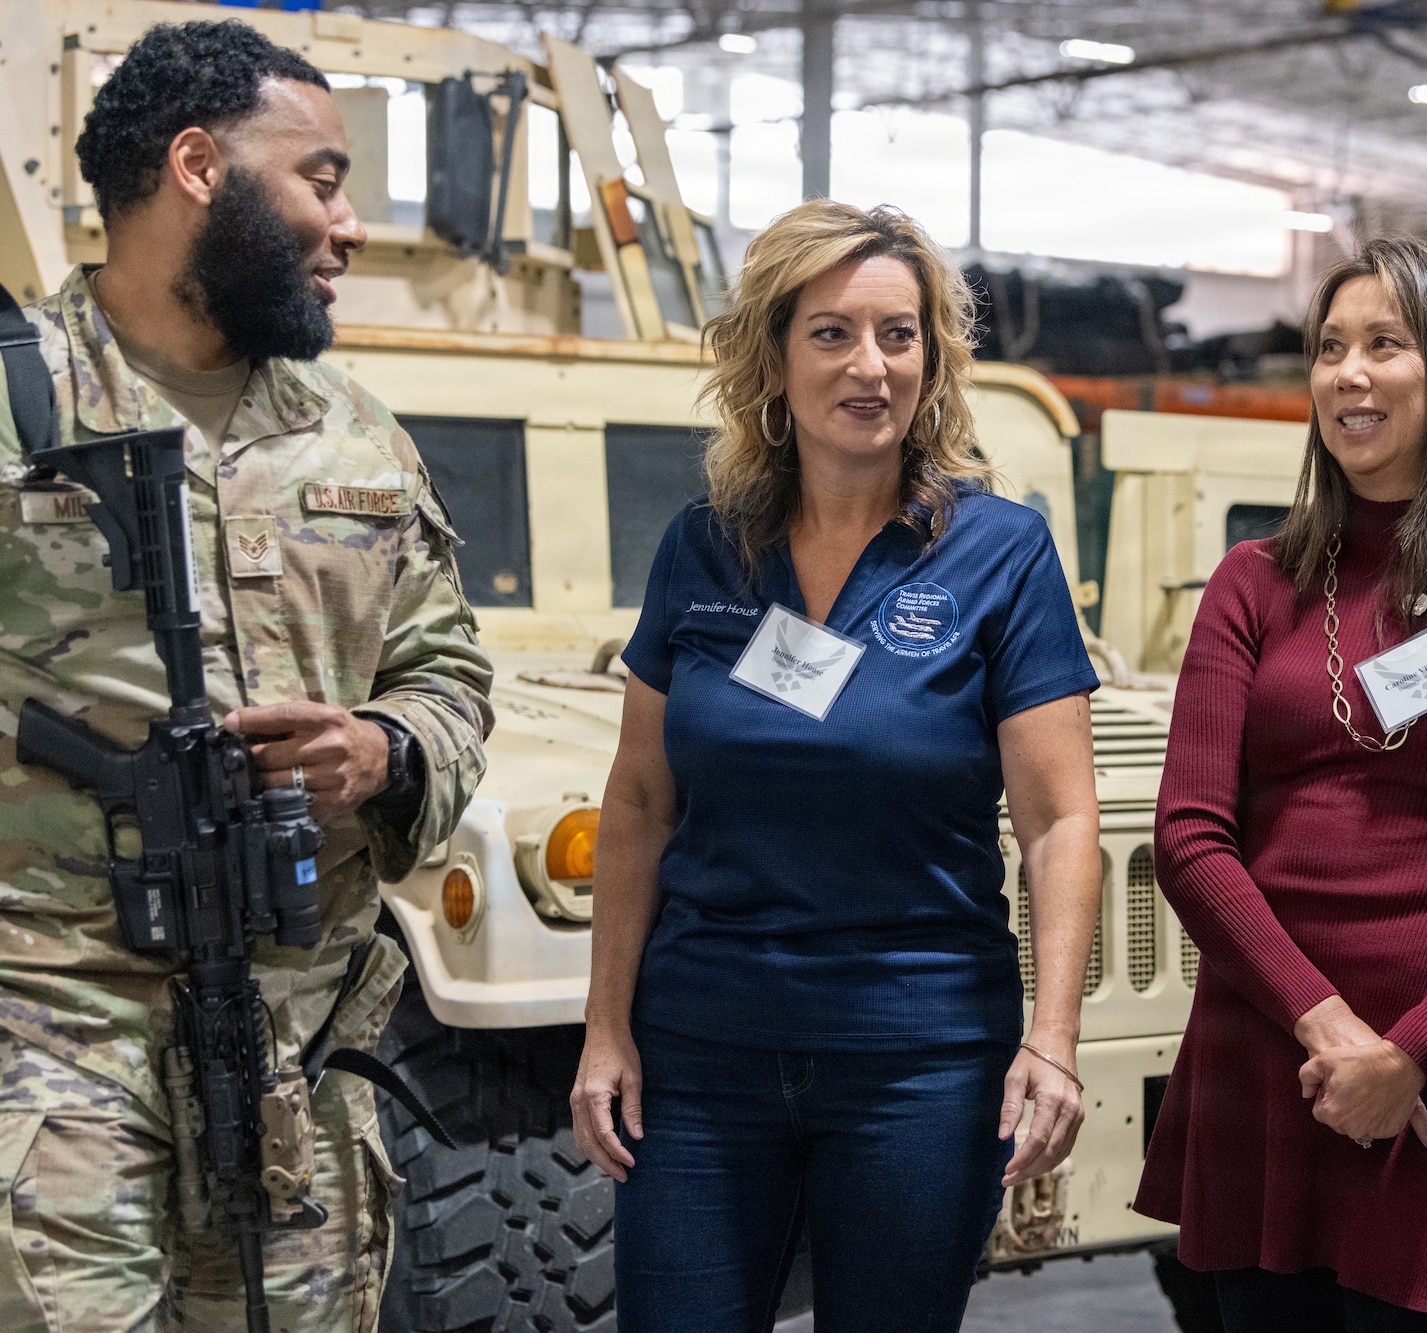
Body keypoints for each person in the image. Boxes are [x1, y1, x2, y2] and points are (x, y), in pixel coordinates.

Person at [0, 20, 493, 1333]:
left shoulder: (358, 438)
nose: (351, 225)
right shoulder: (17, 408)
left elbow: (447, 672)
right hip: (53, 1061)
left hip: (292, 1078)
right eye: (321, 178)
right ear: (199, 164)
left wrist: (382, 751)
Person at [568, 200, 1103, 1332]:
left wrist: (1050, 1043)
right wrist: (605, 1026)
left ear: (933, 359)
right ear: (772, 354)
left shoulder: (998, 552)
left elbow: (1059, 821)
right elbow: (638, 798)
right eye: (831, 333)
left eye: (898, 335)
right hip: (702, 1052)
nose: (869, 366)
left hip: (917, 1058)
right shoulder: (702, 544)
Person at [1133, 233, 1427, 1331]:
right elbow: (1189, 837)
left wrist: (1411, 1051)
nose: (1346, 374)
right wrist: (1329, 1031)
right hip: (1269, 1069)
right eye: (1329, 347)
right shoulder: (1252, 584)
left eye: (1383, 345)